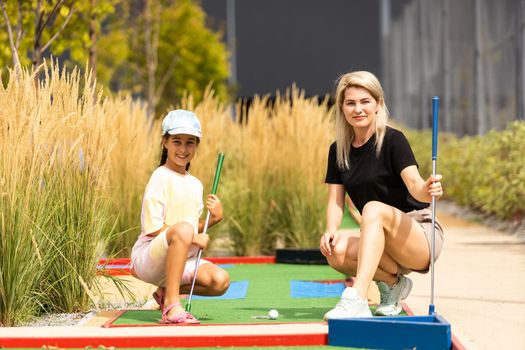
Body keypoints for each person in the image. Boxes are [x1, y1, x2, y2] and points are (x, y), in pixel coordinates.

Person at [320, 71, 444, 320]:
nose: (358, 109)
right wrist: (331, 228)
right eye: (351, 102)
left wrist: (428, 188)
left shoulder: (393, 140)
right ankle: (393, 285)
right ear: (342, 108)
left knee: (373, 208)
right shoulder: (338, 151)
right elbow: (336, 200)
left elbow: (414, 184)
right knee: (335, 249)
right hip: (380, 239)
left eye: (365, 101)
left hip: (417, 233)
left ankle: (357, 297)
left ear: (378, 104)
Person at [131, 109, 230, 324]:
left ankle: (166, 293)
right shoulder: (160, 177)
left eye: (190, 143)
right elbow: (153, 227)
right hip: (150, 258)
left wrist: (213, 220)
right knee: (184, 229)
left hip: (181, 259)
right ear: (164, 142)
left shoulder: (195, 184)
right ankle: (173, 308)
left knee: (220, 281)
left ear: (196, 146)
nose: (183, 149)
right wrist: (193, 237)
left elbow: (191, 229)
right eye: (177, 142)